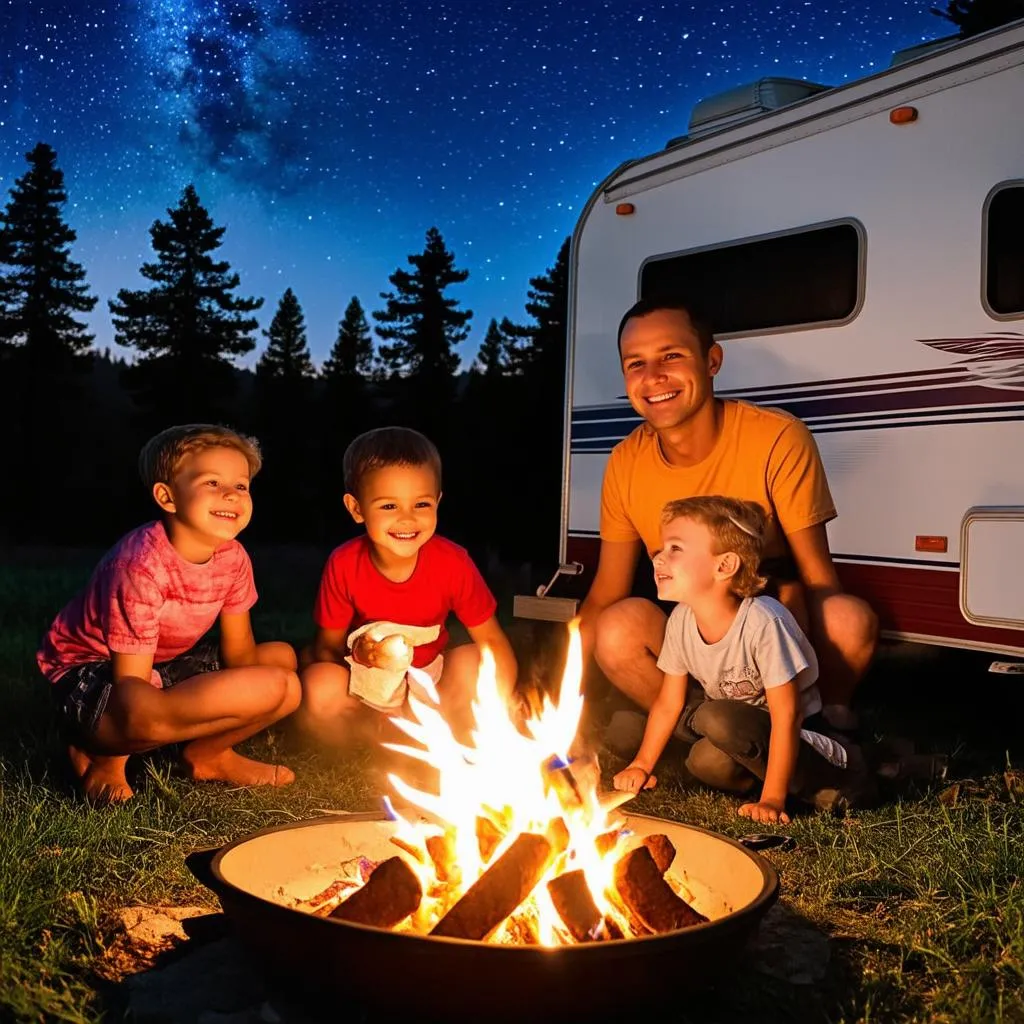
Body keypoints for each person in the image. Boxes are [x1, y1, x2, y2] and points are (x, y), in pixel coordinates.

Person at [580, 296, 878, 735]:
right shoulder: (626, 462)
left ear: (712, 360)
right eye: (635, 363)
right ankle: (700, 731)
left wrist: (803, 669)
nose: (653, 377)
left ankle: (818, 726)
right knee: (615, 627)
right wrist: (561, 687)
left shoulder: (777, 438)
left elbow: (818, 580)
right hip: (691, 636)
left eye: (672, 356)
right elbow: (605, 594)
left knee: (848, 618)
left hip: (772, 624)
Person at [37, 424, 301, 805]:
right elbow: (131, 684)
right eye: (212, 482)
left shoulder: (233, 557)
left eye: (241, 486)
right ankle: (102, 757)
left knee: (282, 672)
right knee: (147, 706)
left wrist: (254, 695)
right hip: (93, 672)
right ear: (167, 496)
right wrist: (238, 695)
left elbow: (240, 650)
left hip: (159, 663)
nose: (231, 494)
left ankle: (208, 755)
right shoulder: (140, 565)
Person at [612, 496, 873, 820]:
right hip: (738, 732)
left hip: (801, 731)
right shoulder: (681, 619)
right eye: (661, 548)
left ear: (725, 566)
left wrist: (773, 800)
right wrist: (641, 764)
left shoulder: (763, 622)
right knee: (704, 761)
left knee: (714, 718)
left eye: (675, 549)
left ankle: (836, 776)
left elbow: (787, 715)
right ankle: (771, 780)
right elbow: (668, 703)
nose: (658, 558)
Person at [296, 426, 517, 749]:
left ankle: (427, 736)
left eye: (421, 505)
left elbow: (493, 643)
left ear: (438, 502)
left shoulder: (452, 562)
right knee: (319, 683)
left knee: (479, 662)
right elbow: (327, 649)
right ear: (356, 508)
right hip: (366, 684)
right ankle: (363, 744)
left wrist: (499, 709)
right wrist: (361, 660)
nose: (407, 519)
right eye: (388, 506)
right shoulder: (344, 563)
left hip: (430, 685)